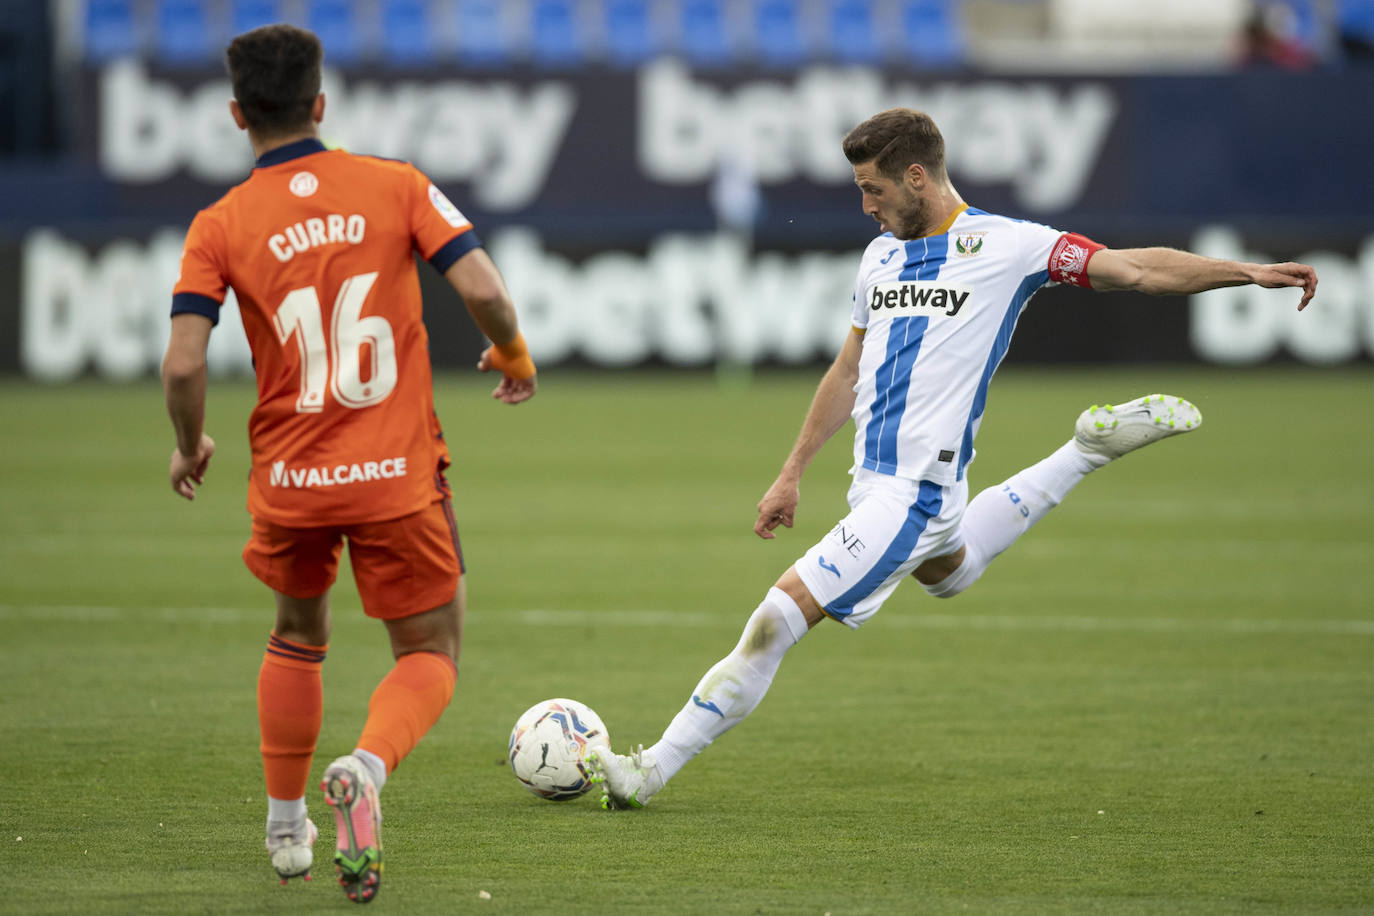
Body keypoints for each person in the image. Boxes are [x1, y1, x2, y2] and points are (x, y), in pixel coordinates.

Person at [585, 106, 1317, 810]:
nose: (865, 205)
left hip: (915, 493)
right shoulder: (880, 257)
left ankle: (648, 771)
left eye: (872, 189)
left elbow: (1135, 270)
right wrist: (792, 470)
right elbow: (847, 371)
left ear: (915, 178)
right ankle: (1084, 452)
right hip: (879, 489)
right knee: (950, 572)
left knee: (776, 619)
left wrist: (1244, 272)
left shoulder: (1010, 246)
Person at [160, 24, 537, 903]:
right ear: (320, 104)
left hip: (290, 480)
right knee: (432, 651)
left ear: (235, 113)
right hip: (395, 475)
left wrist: (188, 444)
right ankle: (366, 767)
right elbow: (482, 289)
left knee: (297, 632)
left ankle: (285, 826)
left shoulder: (219, 224)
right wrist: (514, 355)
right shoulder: (393, 185)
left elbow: (182, 363)